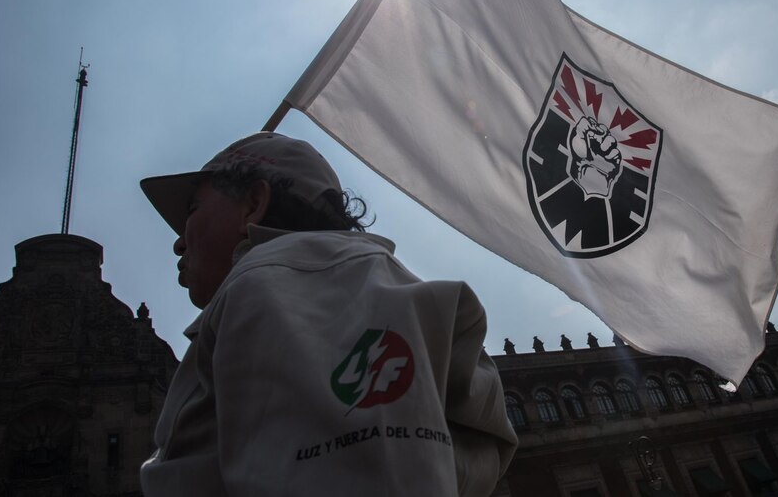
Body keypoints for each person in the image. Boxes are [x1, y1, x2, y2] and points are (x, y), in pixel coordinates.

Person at [138, 132, 517, 496]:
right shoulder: (333, 283)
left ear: (253, 205)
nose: (178, 240)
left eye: (192, 209)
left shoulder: (281, 282)